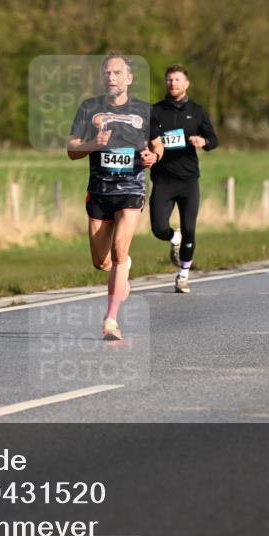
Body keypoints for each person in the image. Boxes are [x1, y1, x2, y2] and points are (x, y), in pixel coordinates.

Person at [68, 53, 163, 340]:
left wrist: (153, 157)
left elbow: (158, 147)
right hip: (99, 191)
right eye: (107, 73)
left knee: (120, 249)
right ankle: (121, 271)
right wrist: (92, 144)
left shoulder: (145, 111)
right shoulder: (89, 108)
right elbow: (72, 150)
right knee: (101, 262)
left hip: (131, 190)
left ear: (129, 78)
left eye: (117, 73)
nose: (111, 78)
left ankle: (111, 319)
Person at [149, 64, 219, 293]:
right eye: (169, 79)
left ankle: (183, 274)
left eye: (177, 79)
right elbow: (144, 138)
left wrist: (203, 142)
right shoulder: (155, 111)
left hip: (188, 180)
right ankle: (173, 236)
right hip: (163, 179)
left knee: (190, 227)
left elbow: (213, 139)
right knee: (159, 228)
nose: (173, 83)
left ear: (186, 84)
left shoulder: (197, 111)